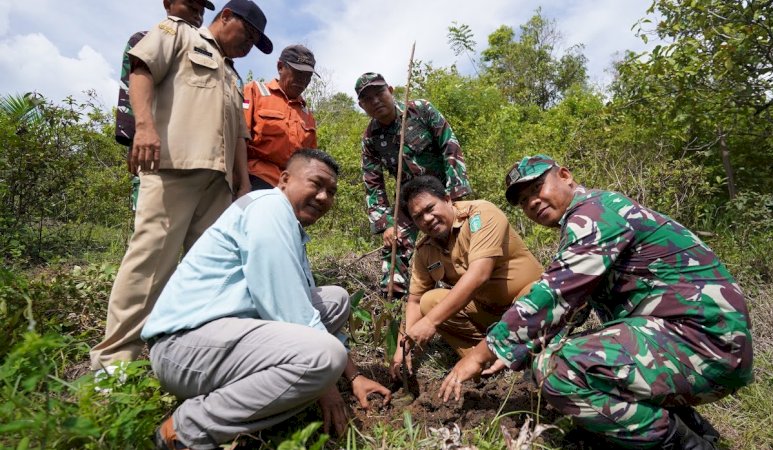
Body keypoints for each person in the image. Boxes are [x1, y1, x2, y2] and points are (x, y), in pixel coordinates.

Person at [439, 155, 754, 449]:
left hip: (706, 342)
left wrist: (484, 352)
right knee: (556, 356)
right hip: (697, 339)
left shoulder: (595, 214)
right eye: (523, 201)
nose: (533, 202)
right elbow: (573, 308)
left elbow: (554, 295)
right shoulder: (591, 215)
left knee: (557, 369)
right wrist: (519, 351)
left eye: (537, 188)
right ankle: (695, 429)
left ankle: (683, 444)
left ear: (565, 176)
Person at [143, 150, 391, 449]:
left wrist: (354, 377)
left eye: (331, 191)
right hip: (183, 348)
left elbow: (299, 306)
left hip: (219, 338)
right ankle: (186, 430)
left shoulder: (285, 220)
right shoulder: (269, 208)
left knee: (335, 300)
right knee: (324, 357)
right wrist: (326, 386)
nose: (324, 197)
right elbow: (288, 309)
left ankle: (241, 404)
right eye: (316, 184)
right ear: (285, 179)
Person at [90, 0, 272, 372]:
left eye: (255, 41)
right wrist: (143, 126)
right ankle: (114, 365)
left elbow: (239, 135)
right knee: (149, 264)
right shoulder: (179, 34)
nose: (249, 45)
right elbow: (141, 69)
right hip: (175, 168)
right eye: (248, 34)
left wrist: (241, 186)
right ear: (225, 18)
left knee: (209, 273)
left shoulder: (232, 74)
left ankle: (188, 357)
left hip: (218, 185)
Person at [389, 175, 543, 379]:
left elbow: (479, 274)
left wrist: (430, 323)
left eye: (430, 208)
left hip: (528, 303)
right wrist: (402, 347)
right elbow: (416, 300)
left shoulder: (481, 214)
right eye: (418, 217)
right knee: (430, 301)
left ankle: (532, 355)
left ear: (447, 199)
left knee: (536, 293)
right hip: (488, 313)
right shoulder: (425, 249)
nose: (427, 219)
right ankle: (485, 364)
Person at [356, 72, 472, 299]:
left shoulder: (421, 109)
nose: (376, 100)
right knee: (394, 245)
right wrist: (385, 224)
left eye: (379, 93)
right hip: (408, 199)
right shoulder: (370, 138)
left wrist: (456, 195)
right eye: (368, 99)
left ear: (390, 90)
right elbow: (373, 182)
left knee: (462, 234)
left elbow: (450, 146)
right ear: (362, 106)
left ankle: (467, 286)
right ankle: (393, 303)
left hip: (441, 190)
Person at [115, 0, 217, 214]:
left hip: (191, 156)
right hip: (155, 151)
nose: (197, 15)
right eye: (190, 7)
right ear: (168, 3)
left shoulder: (208, 51)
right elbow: (130, 91)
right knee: (150, 224)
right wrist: (137, 135)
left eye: (201, 11)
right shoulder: (145, 39)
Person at [243, 44, 318, 190]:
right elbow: (238, 139)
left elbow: (310, 159)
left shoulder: (308, 115)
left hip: (291, 187)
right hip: (256, 177)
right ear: (280, 67)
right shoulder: (254, 92)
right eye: (297, 73)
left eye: (307, 76)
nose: (302, 81)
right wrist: (241, 182)